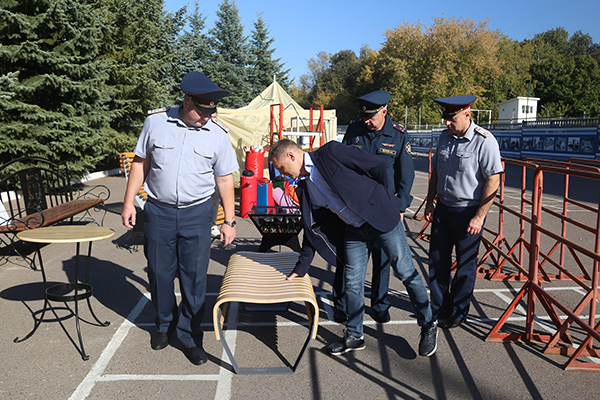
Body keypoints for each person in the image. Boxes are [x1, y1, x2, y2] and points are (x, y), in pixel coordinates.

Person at [269, 139, 437, 357]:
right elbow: (311, 228)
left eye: (281, 167)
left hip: (381, 219)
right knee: (352, 281)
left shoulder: (330, 152)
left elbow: (375, 166)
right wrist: (301, 267)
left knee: (406, 272)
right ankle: (355, 335)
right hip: (353, 230)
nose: (282, 174)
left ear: (292, 156)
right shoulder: (304, 187)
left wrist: (378, 198)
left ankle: (428, 323)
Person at [121, 71, 238, 365]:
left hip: (198, 213)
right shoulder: (156, 123)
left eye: (211, 112)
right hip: (158, 211)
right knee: (159, 274)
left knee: (195, 279)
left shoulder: (218, 134)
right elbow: (140, 164)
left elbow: (224, 180)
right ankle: (163, 325)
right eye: (201, 111)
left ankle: (188, 334)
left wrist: (230, 221)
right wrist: (128, 203)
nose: (206, 118)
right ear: (186, 100)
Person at [424, 95, 503, 329]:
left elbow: (493, 180)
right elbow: (436, 171)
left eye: (452, 118)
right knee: (437, 261)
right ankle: (439, 309)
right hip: (443, 208)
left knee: (465, 266)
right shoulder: (444, 137)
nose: (448, 123)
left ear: (467, 114)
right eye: (446, 118)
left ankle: (458, 312)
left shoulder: (484, 141)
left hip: (468, 212)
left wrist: (479, 216)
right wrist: (430, 201)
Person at [342, 90, 415, 324]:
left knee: (382, 259)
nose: (366, 121)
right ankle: (349, 305)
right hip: (356, 207)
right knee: (353, 260)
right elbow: (343, 164)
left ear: (384, 111)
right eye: (364, 116)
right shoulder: (354, 131)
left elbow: (406, 176)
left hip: (384, 208)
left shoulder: (398, 135)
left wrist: (401, 207)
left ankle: (380, 303)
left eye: (371, 117)